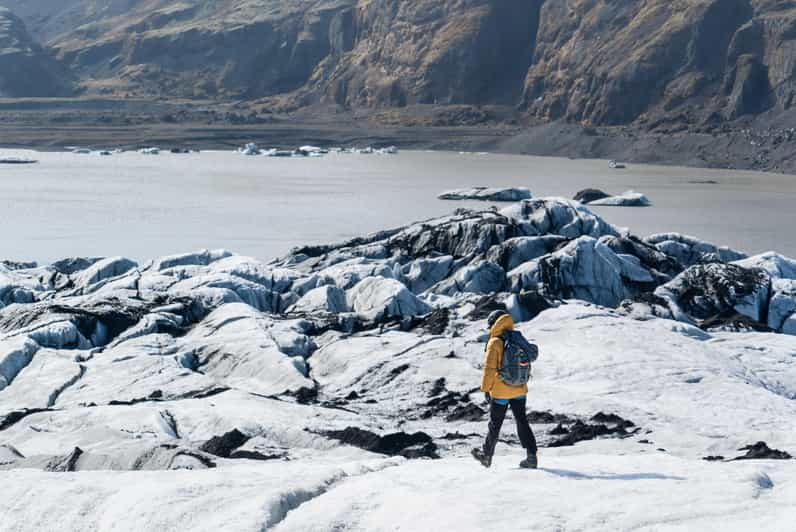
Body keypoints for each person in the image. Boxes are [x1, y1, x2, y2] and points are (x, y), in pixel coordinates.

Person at [472, 310, 538, 469]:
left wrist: (486, 389)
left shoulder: (495, 341)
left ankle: (486, 456)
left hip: (501, 391)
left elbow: (489, 369)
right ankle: (531, 456)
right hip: (520, 389)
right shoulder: (516, 337)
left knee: (495, 424)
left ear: (494, 323)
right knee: (522, 421)